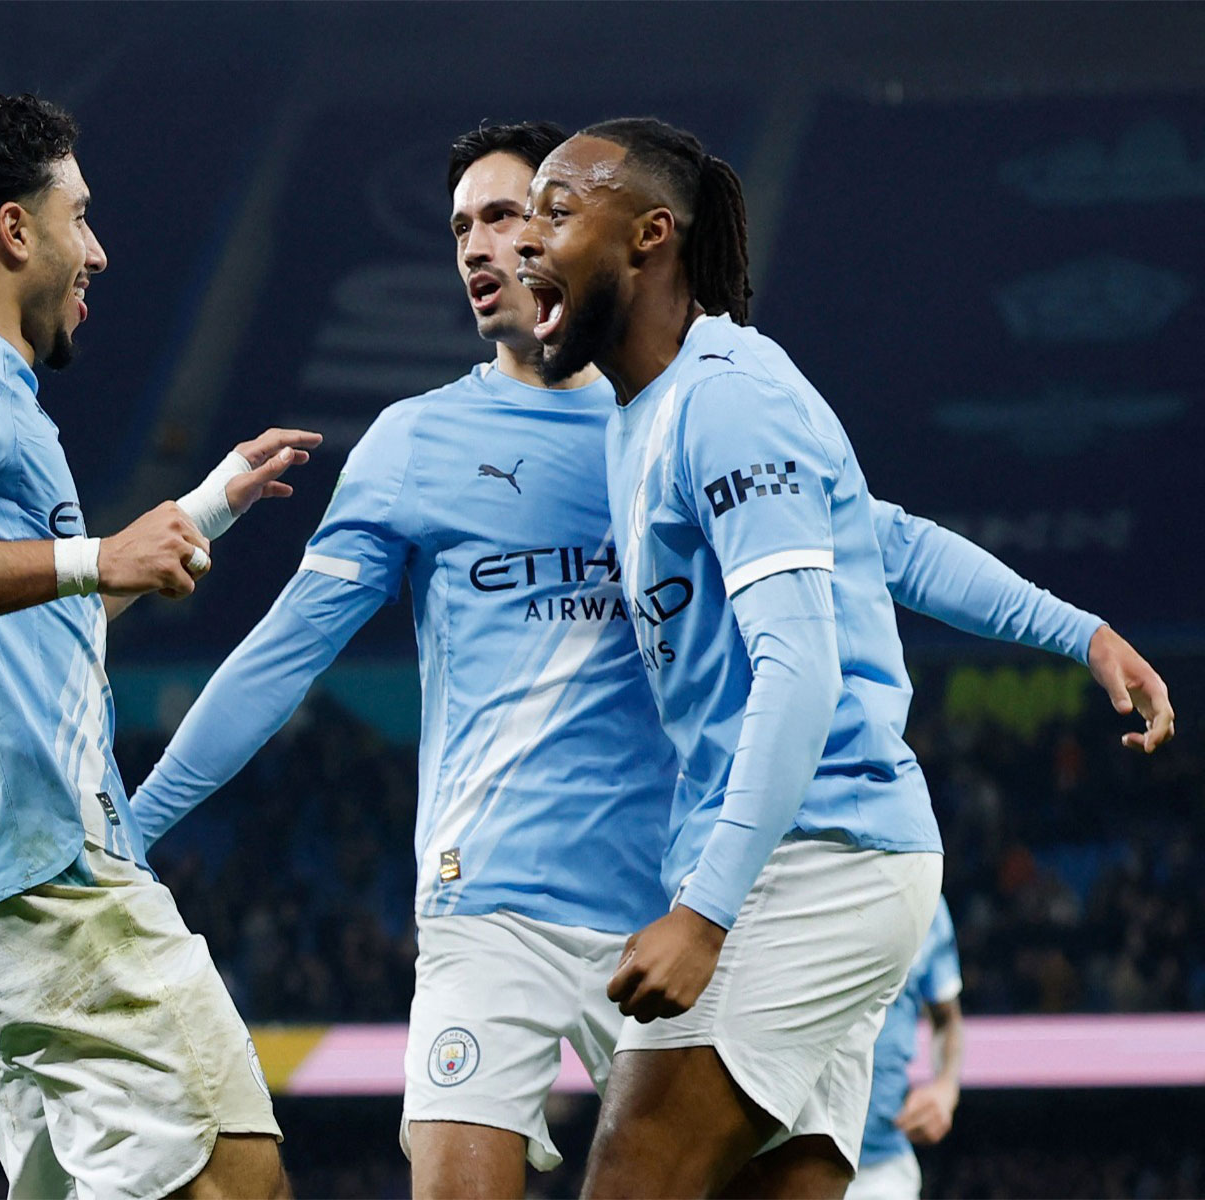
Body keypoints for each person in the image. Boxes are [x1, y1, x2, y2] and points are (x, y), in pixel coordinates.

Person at [130, 121, 1169, 1199]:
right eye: (469, 227)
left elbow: (871, 551)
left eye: (524, 214)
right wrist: (133, 826)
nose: (498, 246)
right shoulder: (445, 441)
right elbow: (280, 657)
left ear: (627, 236)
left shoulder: (691, 399)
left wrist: (1072, 629)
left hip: (699, 899)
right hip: (506, 904)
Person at [514, 117, 1173, 1198]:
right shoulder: (653, 410)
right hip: (829, 860)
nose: (524, 239)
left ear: (648, 235)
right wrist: (1079, 631)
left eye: (554, 209)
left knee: (629, 1181)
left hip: (810, 859)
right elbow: (890, 539)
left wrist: (706, 912)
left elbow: (802, 669)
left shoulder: (726, 396)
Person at [0, 92, 319, 1200]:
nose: (94, 250)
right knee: (237, 1177)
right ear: (16, 231)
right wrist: (98, 554)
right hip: (48, 891)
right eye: (78, 216)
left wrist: (204, 508)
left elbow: (32, 636)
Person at [846, 897, 964, 1200]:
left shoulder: (924, 896)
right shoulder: (777, 871)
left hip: (881, 1167)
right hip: (773, 1161)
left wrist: (945, 1088)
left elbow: (947, 1019)